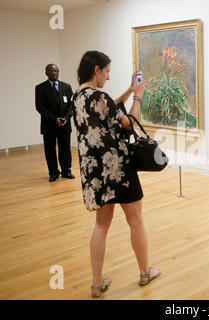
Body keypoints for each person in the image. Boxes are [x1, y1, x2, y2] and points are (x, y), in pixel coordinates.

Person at [72, 51, 161, 298]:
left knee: (101, 226)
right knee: (136, 221)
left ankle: (97, 283)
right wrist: (139, 97)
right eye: (107, 71)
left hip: (95, 172)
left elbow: (109, 106)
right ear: (96, 70)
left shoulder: (79, 96)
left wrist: (129, 90)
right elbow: (130, 123)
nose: (108, 77)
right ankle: (145, 272)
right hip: (118, 169)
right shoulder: (99, 96)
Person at [35, 64, 75, 182]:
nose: (54, 73)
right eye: (51, 71)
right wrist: (54, 119)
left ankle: (66, 171)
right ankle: (53, 172)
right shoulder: (40, 88)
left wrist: (66, 118)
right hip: (49, 125)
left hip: (65, 124)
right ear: (46, 73)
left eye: (56, 71)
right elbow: (40, 107)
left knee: (65, 149)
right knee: (50, 150)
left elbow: (72, 106)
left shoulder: (66, 87)